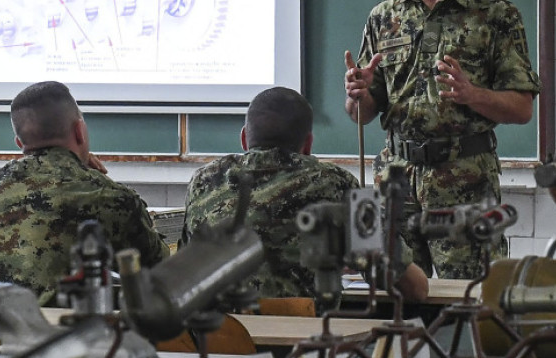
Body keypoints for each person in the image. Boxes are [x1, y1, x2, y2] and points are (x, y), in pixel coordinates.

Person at [344, 0, 541, 279]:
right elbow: (362, 114)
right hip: (395, 183)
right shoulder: (385, 17)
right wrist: (359, 93)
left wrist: (473, 95)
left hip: (464, 181)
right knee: (391, 301)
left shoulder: (495, 14)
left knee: (472, 300)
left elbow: (522, 109)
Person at [182, 86, 428, 308]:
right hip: (302, 350)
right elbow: (414, 288)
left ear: (245, 138)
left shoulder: (203, 181)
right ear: (308, 145)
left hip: (216, 345)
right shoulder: (337, 183)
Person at [0, 81, 169, 306]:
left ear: (20, 143)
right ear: (79, 131)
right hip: (65, 336)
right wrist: (102, 182)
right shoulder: (110, 197)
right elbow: (162, 271)